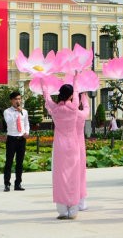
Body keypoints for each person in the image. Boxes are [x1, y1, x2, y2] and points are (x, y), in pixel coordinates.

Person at [42, 79, 81, 220]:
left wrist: (43, 80)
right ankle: (74, 210)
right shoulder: (74, 107)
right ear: (70, 95)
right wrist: (75, 78)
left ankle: (63, 210)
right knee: (73, 175)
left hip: (60, 145)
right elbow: (76, 92)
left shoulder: (55, 109)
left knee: (60, 176)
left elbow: (46, 97)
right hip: (73, 144)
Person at [3, 91, 29, 192]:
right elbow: (9, 122)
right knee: (9, 162)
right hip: (11, 139)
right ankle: (7, 184)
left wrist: (26, 132)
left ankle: (18, 184)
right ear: (11, 100)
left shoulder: (25, 111)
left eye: (19, 99)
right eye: (16, 99)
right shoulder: (7, 112)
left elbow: (26, 123)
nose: (18, 101)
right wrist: (17, 112)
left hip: (21, 139)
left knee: (20, 163)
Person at [76, 92, 90, 211]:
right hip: (79, 146)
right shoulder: (81, 114)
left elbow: (49, 105)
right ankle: (81, 202)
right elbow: (87, 107)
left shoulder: (61, 112)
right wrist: (84, 96)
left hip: (65, 146)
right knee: (80, 173)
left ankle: (69, 200)